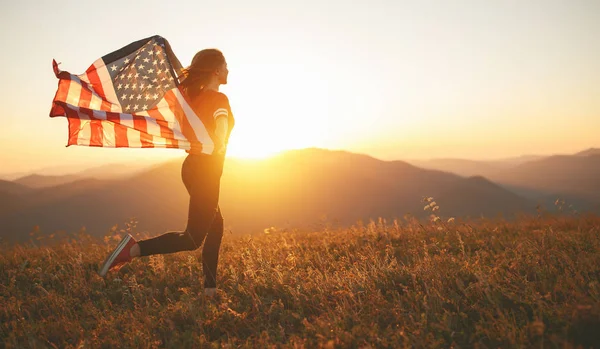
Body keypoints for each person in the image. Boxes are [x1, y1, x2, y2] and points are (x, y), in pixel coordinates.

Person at [98, 49, 235, 299]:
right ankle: (133, 249)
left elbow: (184, 84)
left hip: (192, 168)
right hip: (206, 171)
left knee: (215, 226)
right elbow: (221, 122)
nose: (229, 69)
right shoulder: (218, 98)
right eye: (225, 64)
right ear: (216, 70)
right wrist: (222, 140)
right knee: (192, 238)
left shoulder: (191, 98)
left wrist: (167, 49)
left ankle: (210, 290)